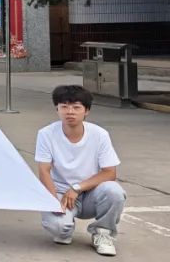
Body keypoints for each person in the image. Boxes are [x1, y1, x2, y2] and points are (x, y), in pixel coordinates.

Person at [36, 85, 126, 256]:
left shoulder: (100, 135)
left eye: (76, 107)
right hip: (61, 193)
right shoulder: (46, 134)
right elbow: (44, 170)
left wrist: (77, 188)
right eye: (64, 106)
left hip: (91, 192)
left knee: (114, 191)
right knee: (59, 228)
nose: (70, 112)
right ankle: (65, 228)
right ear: (57, 109)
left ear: (87, 111)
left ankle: (103, 233)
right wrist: (53, 201)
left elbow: (110, 173)